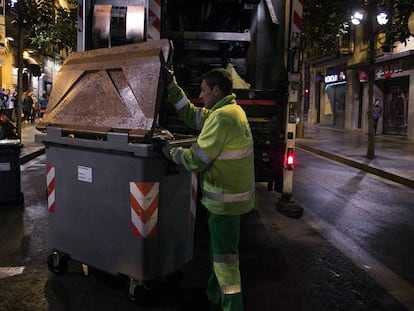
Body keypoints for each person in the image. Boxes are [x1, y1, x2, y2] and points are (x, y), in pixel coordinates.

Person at [163, 67, 255, 310]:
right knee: (221, 255)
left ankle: (232, 306)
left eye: (204, 91)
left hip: (224, 202)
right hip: (231, 200)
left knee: (226, 262)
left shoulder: (223, 118)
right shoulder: (230, 111)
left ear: (216, 90)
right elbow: (192, 115)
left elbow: (196, 159)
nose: (201, 96)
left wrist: (172, 152)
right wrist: (172, 87)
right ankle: (214, 295)